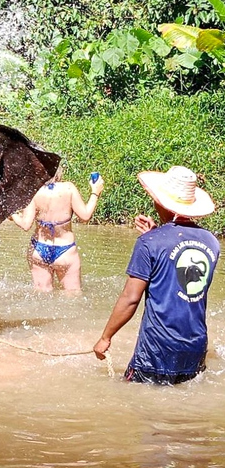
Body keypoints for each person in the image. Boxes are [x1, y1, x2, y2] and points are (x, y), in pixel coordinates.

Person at [93, 165, 219, 385]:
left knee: (136, 406)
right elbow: (180, 277)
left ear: (160, 202)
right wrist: (156, 233)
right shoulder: (211, 241)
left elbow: (131, 298)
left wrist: (105, 337)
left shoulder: (149, 243)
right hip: (195, 347)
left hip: (157, 348)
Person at [10, 167, 104, 291]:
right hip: (65, 251)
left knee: (41, 297)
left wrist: (12, 214)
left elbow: (25, 224)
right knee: (72, 297)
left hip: (38, 249)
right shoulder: (69, 188)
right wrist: (95, 192)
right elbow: (85, 216)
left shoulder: (33, 191)